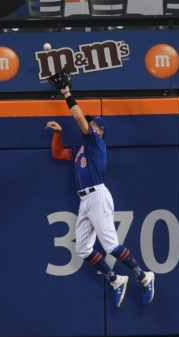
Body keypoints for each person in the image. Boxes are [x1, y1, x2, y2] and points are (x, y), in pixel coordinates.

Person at [45, 84, 155, 308]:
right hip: (85, 199)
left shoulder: (96, 143)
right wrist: (58, 134)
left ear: (100, 131)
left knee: (111, 246)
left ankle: (144, 276)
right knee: (83, 249)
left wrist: (67, 94)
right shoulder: (81, 150)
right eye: (91, 123)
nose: (89, 125)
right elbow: (58, 153)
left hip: (97, 195)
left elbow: (79, 121)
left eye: (93, 124)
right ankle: (115, 279)